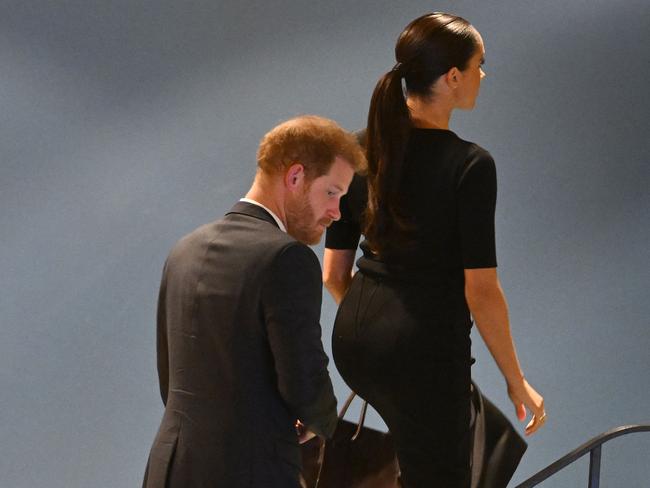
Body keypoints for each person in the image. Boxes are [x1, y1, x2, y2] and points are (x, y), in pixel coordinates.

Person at [323, 13, 546, 488]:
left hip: (353, 339)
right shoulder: (471, 165)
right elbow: (481, 290)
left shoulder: (358, 148)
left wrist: (380, 331)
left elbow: (332, 275)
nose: (483, 76)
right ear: (452, 78)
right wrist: (515, 380)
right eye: (479, 65)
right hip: (423, 349)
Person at [143, 115, 365, 488]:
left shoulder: (185, 249)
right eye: (332, 192)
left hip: (170, 466)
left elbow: (171, 379)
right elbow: (303, 381)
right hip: (249, 469)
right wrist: (320, 419)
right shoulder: (287, 258)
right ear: (295, 177)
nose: (337, 212)